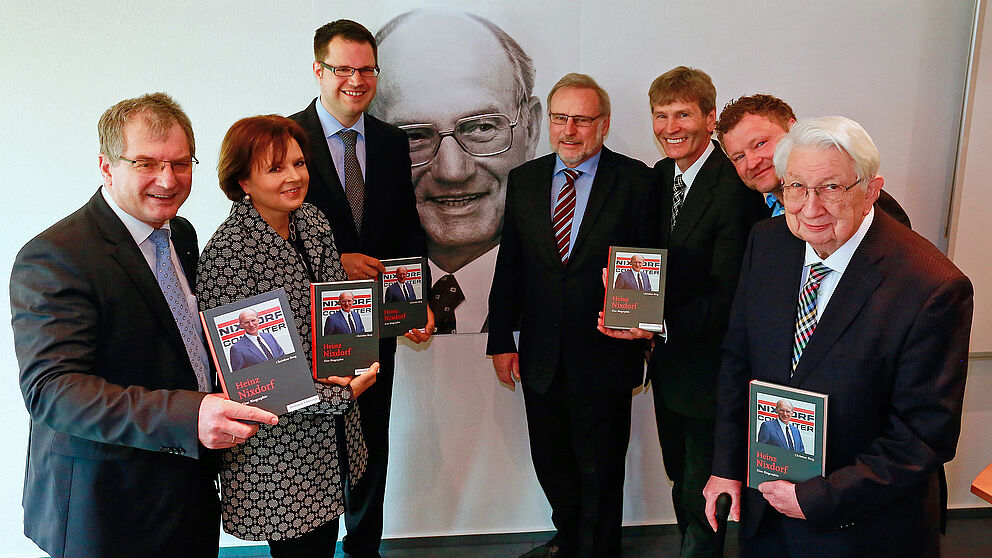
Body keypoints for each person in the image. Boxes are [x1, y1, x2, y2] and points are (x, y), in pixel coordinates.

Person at [10, 93, 278, 558]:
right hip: (110, 505)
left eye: (180, 162)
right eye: (146, 163)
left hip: (189, 489)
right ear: (106, 166)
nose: (167, 180)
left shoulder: (183, 234)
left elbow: (182, 341)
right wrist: (188, 416)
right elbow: (52, 391)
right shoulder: (56, 255)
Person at [704, 116, 973, 558]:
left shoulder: (932, 287)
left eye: (831, 188)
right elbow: (738, 362)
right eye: (796, 188)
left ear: (870, 190)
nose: (810, 208)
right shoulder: (768, 242)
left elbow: (923, 436)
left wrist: (817, 497)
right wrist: (727, 466)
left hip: (861, 529)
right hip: (766, 511)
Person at [488, 73, 657, 558]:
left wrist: (643, 334)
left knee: (601, 474)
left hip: (605, 356)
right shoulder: (525, 180)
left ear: (603, 125)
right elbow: (511, 265)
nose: (568, 130)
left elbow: (649, 263)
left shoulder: (637, 181)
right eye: (560, 118)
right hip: (540, 358)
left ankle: (598, 552)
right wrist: (501, 338)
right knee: (552, 465)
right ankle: (572, 542)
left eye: (581, 120)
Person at [197, 114, 379, 558]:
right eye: (275, 168)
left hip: (329, 434)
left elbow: (339, 315)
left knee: (322, 542)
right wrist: (340, 394)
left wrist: (352, 360)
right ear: (242, 180)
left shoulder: (312, 222)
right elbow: (258, 378)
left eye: (299, 163)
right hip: (280, 447)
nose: (295, 177)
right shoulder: (229, 255)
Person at [290, 20, 433, 557]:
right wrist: (334, 259)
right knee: (313, 441)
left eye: (366, 69)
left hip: (375, 321)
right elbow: (267, 228)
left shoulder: (393, 142)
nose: (356, 79)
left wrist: (413, 300)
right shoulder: (285, 138)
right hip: (306, 326)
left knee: (371, 442)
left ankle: (364, 548)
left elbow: (405, 228)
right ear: (318, 70)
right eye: (343, 68)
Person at [644, 66, 766, 558]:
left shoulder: (734, 186)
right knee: (682, 480)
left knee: (704, 488)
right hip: (669, 369)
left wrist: (658, 323)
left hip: (713, 372)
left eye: (683, 115)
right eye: (660, 115)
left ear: (710, 119)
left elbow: (731, 293)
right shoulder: (658, 178)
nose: (670, 127)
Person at [371, 8, 542, 333]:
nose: (452, 171)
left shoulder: (565, 287)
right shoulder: (354, 290)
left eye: (480, 128)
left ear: (531, 129)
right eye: (414, 136)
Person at [716, 93, 911, 227]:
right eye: (739, 157)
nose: (752, 163)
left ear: (793, 129)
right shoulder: (752, 214)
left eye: (760, 144)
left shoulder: (865, 201)